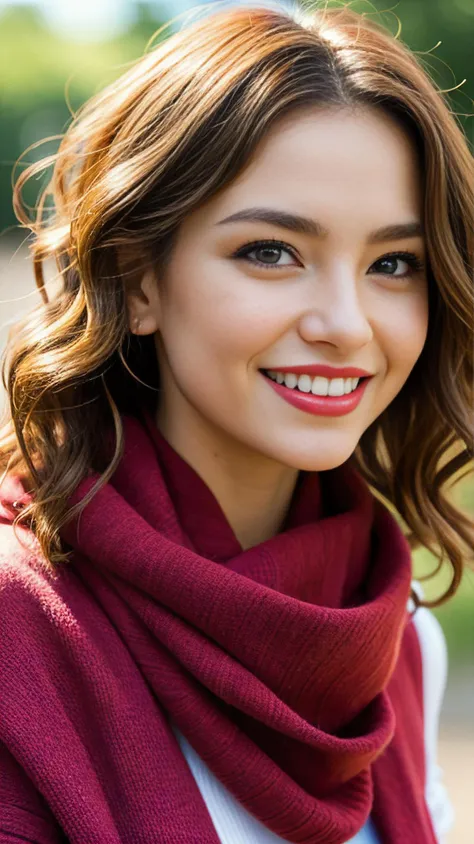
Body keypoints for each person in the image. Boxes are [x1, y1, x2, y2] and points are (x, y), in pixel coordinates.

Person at [0, 2, 472, 842]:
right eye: (271, 252)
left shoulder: (398, 646)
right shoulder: (17, 625)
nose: (346, 323)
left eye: (393, 264)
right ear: (137, 278)